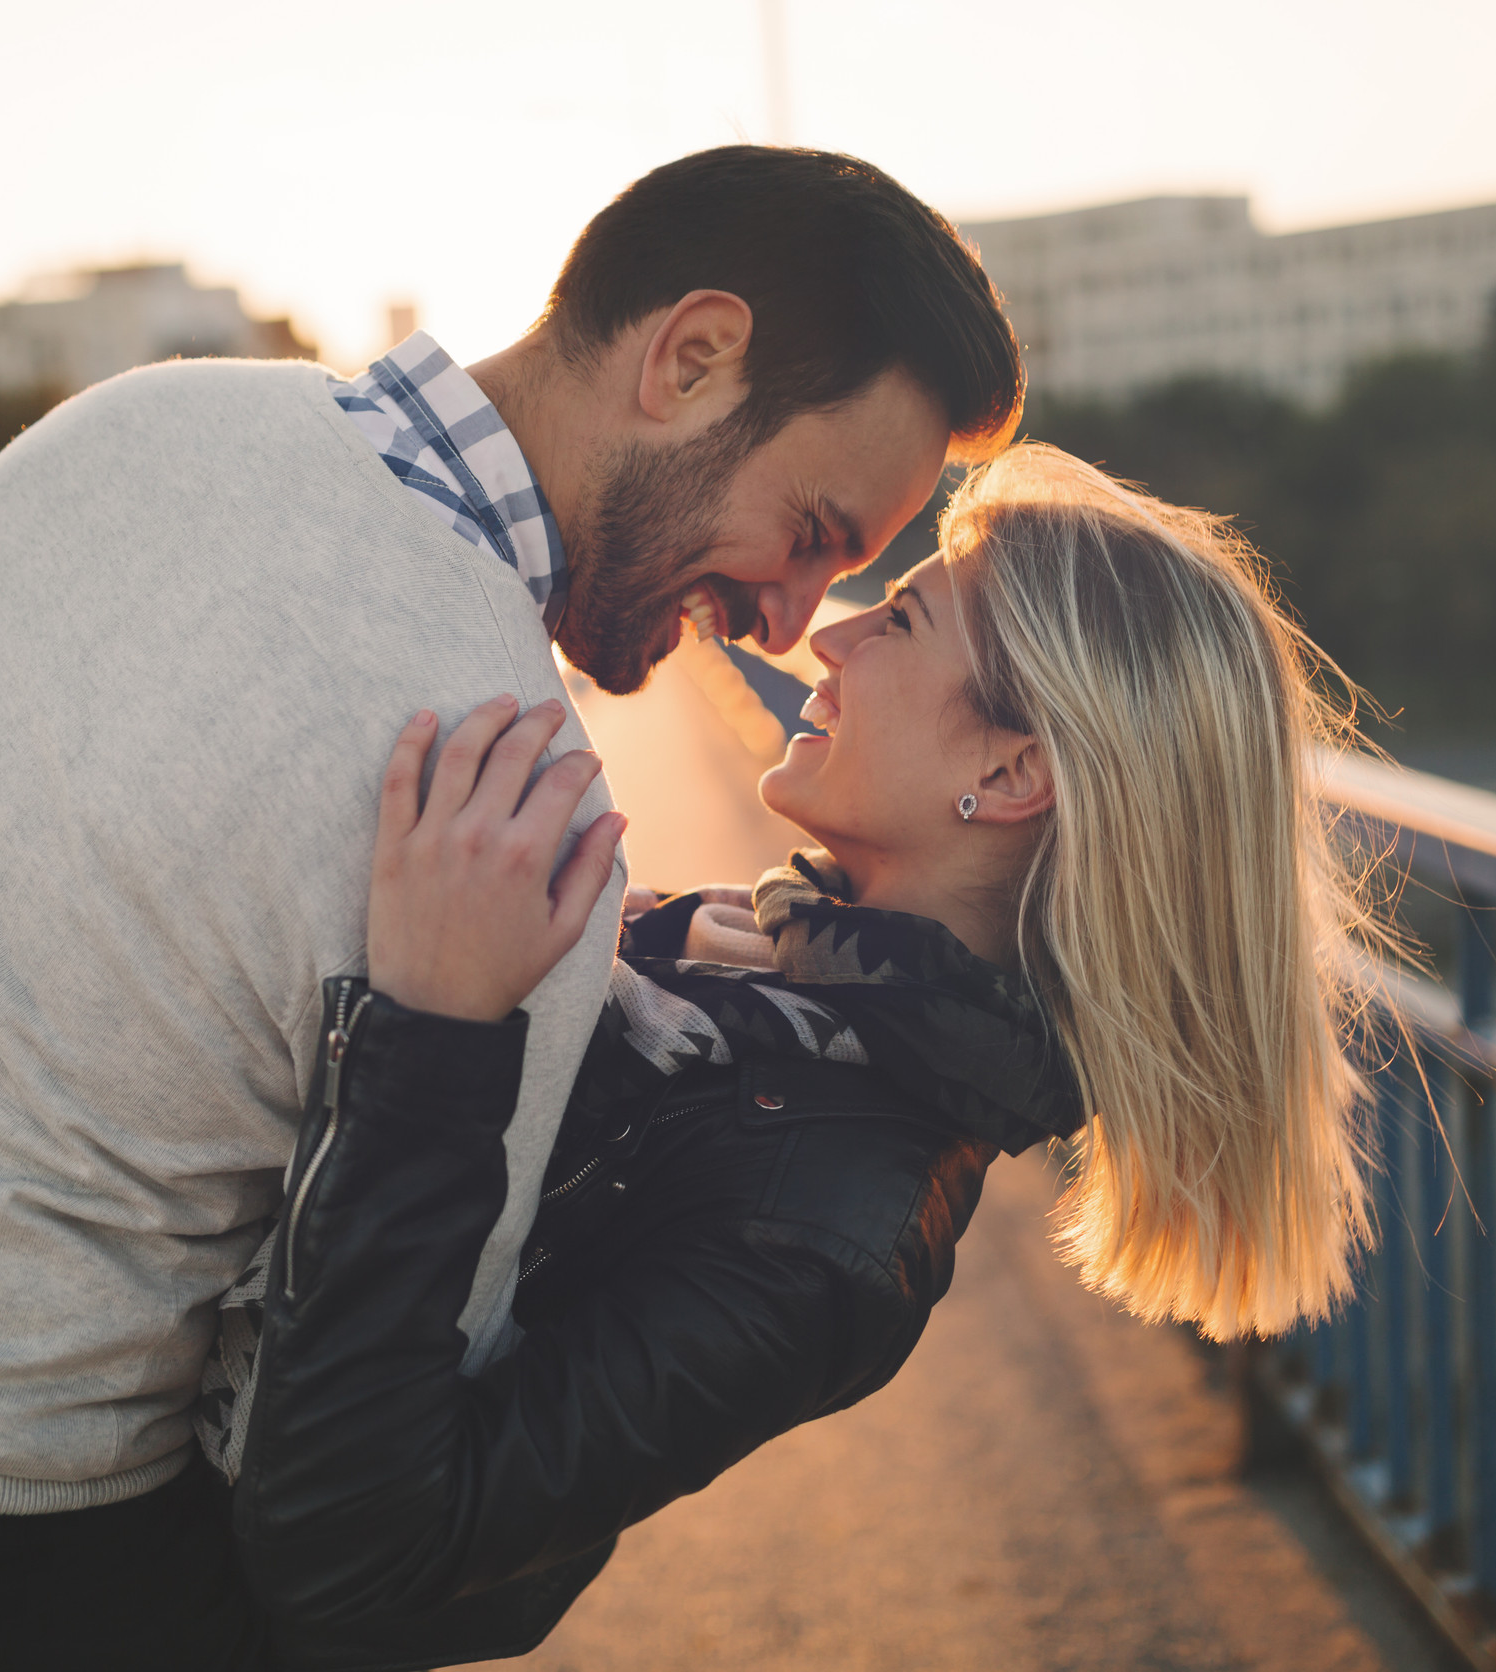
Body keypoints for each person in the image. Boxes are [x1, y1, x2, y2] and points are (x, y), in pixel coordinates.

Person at [0, 146, 1022, 1671]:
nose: (784, 620)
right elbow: (329, 1443)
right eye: (818, 535)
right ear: (692, 359)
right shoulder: (503, 812)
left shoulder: (130, 421)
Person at [224, 443, 1383, 1669]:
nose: (823, 643)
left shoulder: (832, 1236)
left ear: (1008, 770)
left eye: (901, 619)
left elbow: (351, 1556)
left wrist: (439, 1029)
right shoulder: (744, 972)